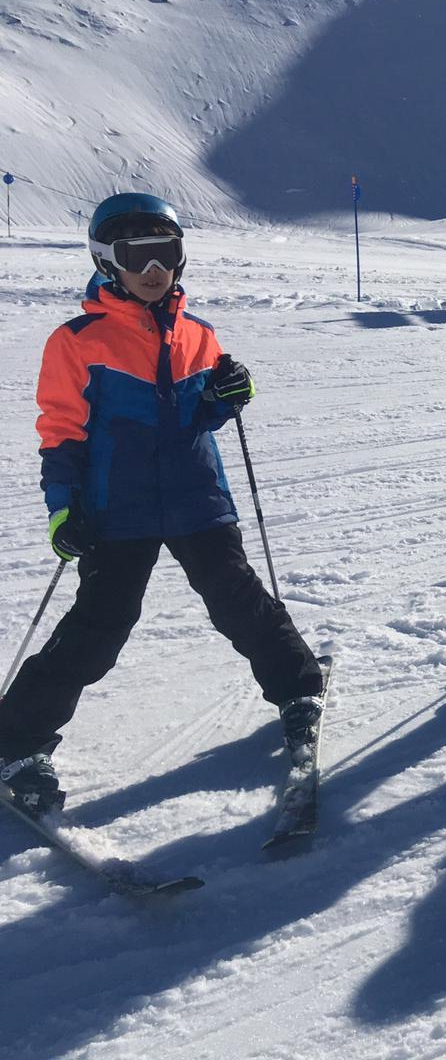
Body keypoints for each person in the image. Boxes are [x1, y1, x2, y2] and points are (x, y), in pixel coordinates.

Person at [0, 193, 326, 817]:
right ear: (106, 260)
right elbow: (61, 432)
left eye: (165, 252)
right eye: (136, 255)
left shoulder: (199, 333)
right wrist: (63, 508)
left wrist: (226, 396)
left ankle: (299, 687)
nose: (153, 269)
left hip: (197, 496)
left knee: (238, 599)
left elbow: (198, 415)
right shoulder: (77, 341)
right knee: (100, 626)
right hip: (116, 509)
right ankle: (16, 740)